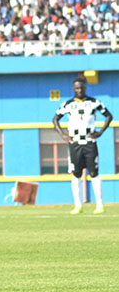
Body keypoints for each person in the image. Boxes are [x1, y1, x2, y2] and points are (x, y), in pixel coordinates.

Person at [53, 77, 113, 214]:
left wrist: (100, 132)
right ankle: (78, 205)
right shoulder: (67, 104)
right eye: (77, 88)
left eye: (81, 88)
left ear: (85, 88)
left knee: (94, 173)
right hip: (75, 143)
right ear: (73, 89)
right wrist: (63, 134)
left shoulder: (93, 102)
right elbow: (55, 119)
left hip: (89, 141)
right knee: (76, 173)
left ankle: (100, 205)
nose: (79, 90)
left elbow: (109, 116)